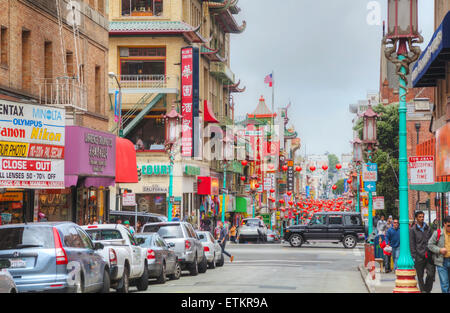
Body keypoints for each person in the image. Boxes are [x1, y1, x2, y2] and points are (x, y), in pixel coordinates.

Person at [410, 211, 435, 293]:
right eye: (420, 217)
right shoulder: (413, 230)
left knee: (431, 274)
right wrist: (414, 256)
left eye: (423, 216)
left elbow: (432, 240)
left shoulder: (428, 228)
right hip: (419, 256)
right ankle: (423, 291)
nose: (422, 218)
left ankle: (427, 289)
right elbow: (412, 243)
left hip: (429, 255)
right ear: (416, 218)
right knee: (420, 276)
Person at [428, 215, 450, 293]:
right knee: (445, 284)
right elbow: (430, 245)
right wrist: (439, 250)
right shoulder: (438, 233)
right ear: (444, 224)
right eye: (448, 225)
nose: (449, 227)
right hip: (442, 262)